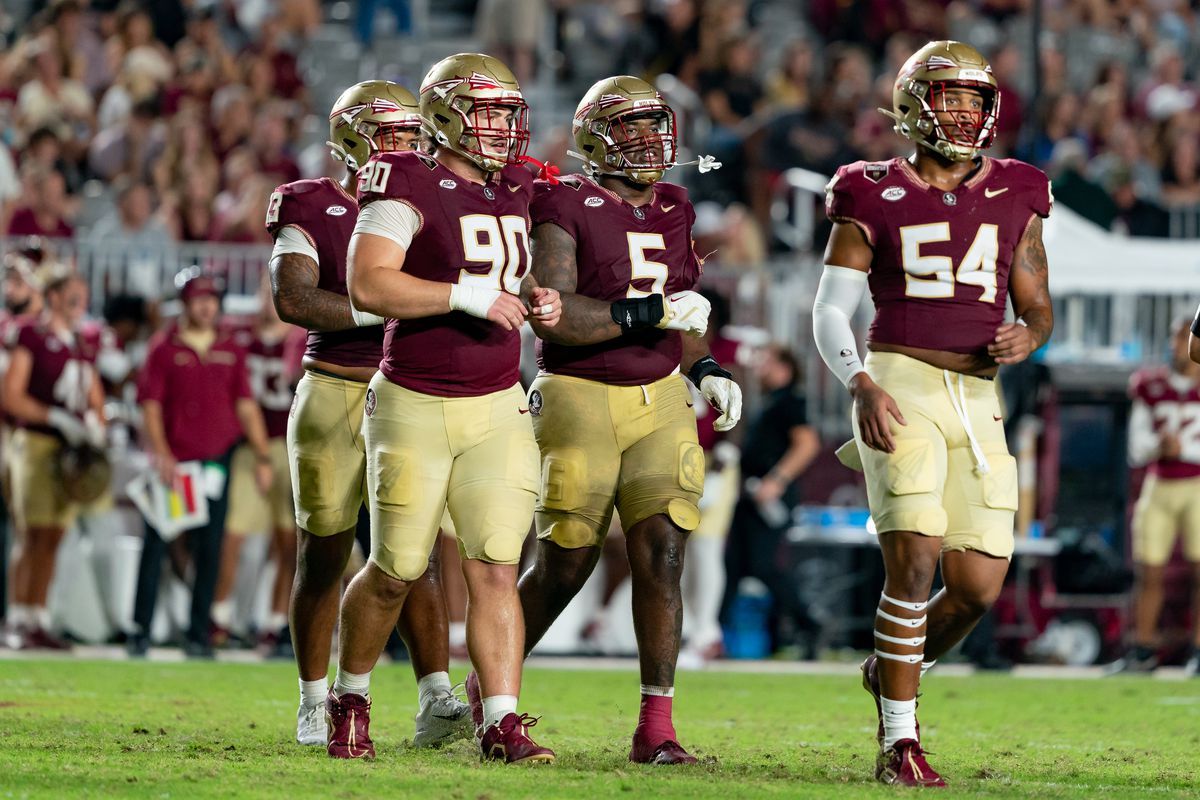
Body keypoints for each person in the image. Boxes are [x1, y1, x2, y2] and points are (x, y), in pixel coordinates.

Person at [813, 41, 1054, 786]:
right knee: (914, 560)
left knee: (979, 585)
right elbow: (830, 309)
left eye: (974, 100)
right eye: (948, 97)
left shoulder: (1019, 188)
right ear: (915, 104)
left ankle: (890, 668)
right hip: (900, 380)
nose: (963, 112)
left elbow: (1038, 305)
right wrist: (859, 383)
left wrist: (1030, 334)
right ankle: (899, 741)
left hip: (980, 398)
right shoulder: (869, 187)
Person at [502, 75, 741, 765]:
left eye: (653, 125)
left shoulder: (674, 204)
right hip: (578, 391)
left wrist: (707, 369)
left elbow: (685, 311)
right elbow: (558, 313)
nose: (647, 141)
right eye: (630, 127)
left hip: (660, 392)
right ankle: (494, 696)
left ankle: (656, 729)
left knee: (664, 549)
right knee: (566, 562)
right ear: (592, 136)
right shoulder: (564, 201)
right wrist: (645, 314)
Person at [331, 53, 561, 763]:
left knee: (495, 565)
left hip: (496, 403)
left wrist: (541, 298)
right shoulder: (406, 181)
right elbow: (368, 283)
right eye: (487, 111)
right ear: (442, 114)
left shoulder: (518, 185)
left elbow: (509, 271)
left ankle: (501, 718)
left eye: (506, 112)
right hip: (414, 400)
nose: (501, 127)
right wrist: (463, 295)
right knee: (397, 568)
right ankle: (350, 699)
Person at [266, 79, 471, 748]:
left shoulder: (429, 201)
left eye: (413, 135)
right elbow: (294, 299)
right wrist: (384, 300)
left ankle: (437, 696)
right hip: (334, 387)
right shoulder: (312, 204)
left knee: (411, 558)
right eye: (391, 134)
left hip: (407, 392)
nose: (405, 147)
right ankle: (314, 697)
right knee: (323, 555)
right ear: (351, 140)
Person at [128, 269, 274, 659]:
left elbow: (245, 404)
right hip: (175, 465)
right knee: (157, 544)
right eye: (198, 298)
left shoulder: (231, 347)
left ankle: (198, 632)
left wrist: (262, 455)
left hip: (215, 462)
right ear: (185, 303)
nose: (206, 306)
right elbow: (151, 405)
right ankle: (140, 629)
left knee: (211, 547)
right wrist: (160, 453)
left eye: (211, 298)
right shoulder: (164, 347)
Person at [2, 267, 105, 649]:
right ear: (54, 294)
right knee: (31, 534)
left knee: (54, 536)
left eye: (83, 289)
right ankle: (17, 619)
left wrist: (96, 421)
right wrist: (54, 416)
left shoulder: (83, 342)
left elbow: (94, 397)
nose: (80, 295)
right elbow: (11, 396)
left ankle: (39, 617)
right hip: (36, 442)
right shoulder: (33, 334)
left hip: (69, 453)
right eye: (71, 290)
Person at [212, 280, 298, 652]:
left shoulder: (301, 336)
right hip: (250, 446)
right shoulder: (238, 337)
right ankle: (220, 616)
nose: (271, 298)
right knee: (232, 536)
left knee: (288, 541)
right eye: (266, 291)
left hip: (293, 444)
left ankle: (275, 622)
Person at [718, 345, 819, 654]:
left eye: (767, 363)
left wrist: (776, 480)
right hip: (750, 497)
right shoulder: (770, 402)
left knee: (764, 566)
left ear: (785, 367)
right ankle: (720, 637)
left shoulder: (791, 401)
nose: (760, 369)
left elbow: (807, 444)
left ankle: (808, 625)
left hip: (769, 497)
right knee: (734, 565)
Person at [1118, 321, 1200, 676]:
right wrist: (1158, 446)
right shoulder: (1151, 385)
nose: (1175, 344)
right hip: (1159, 482)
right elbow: (1136, 449)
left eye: (1183, 336)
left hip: (1197, 483)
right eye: (1174, 336)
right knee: (1147, 571)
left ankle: (1198, 651)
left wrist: (1187, 450)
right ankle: (1142, 648)